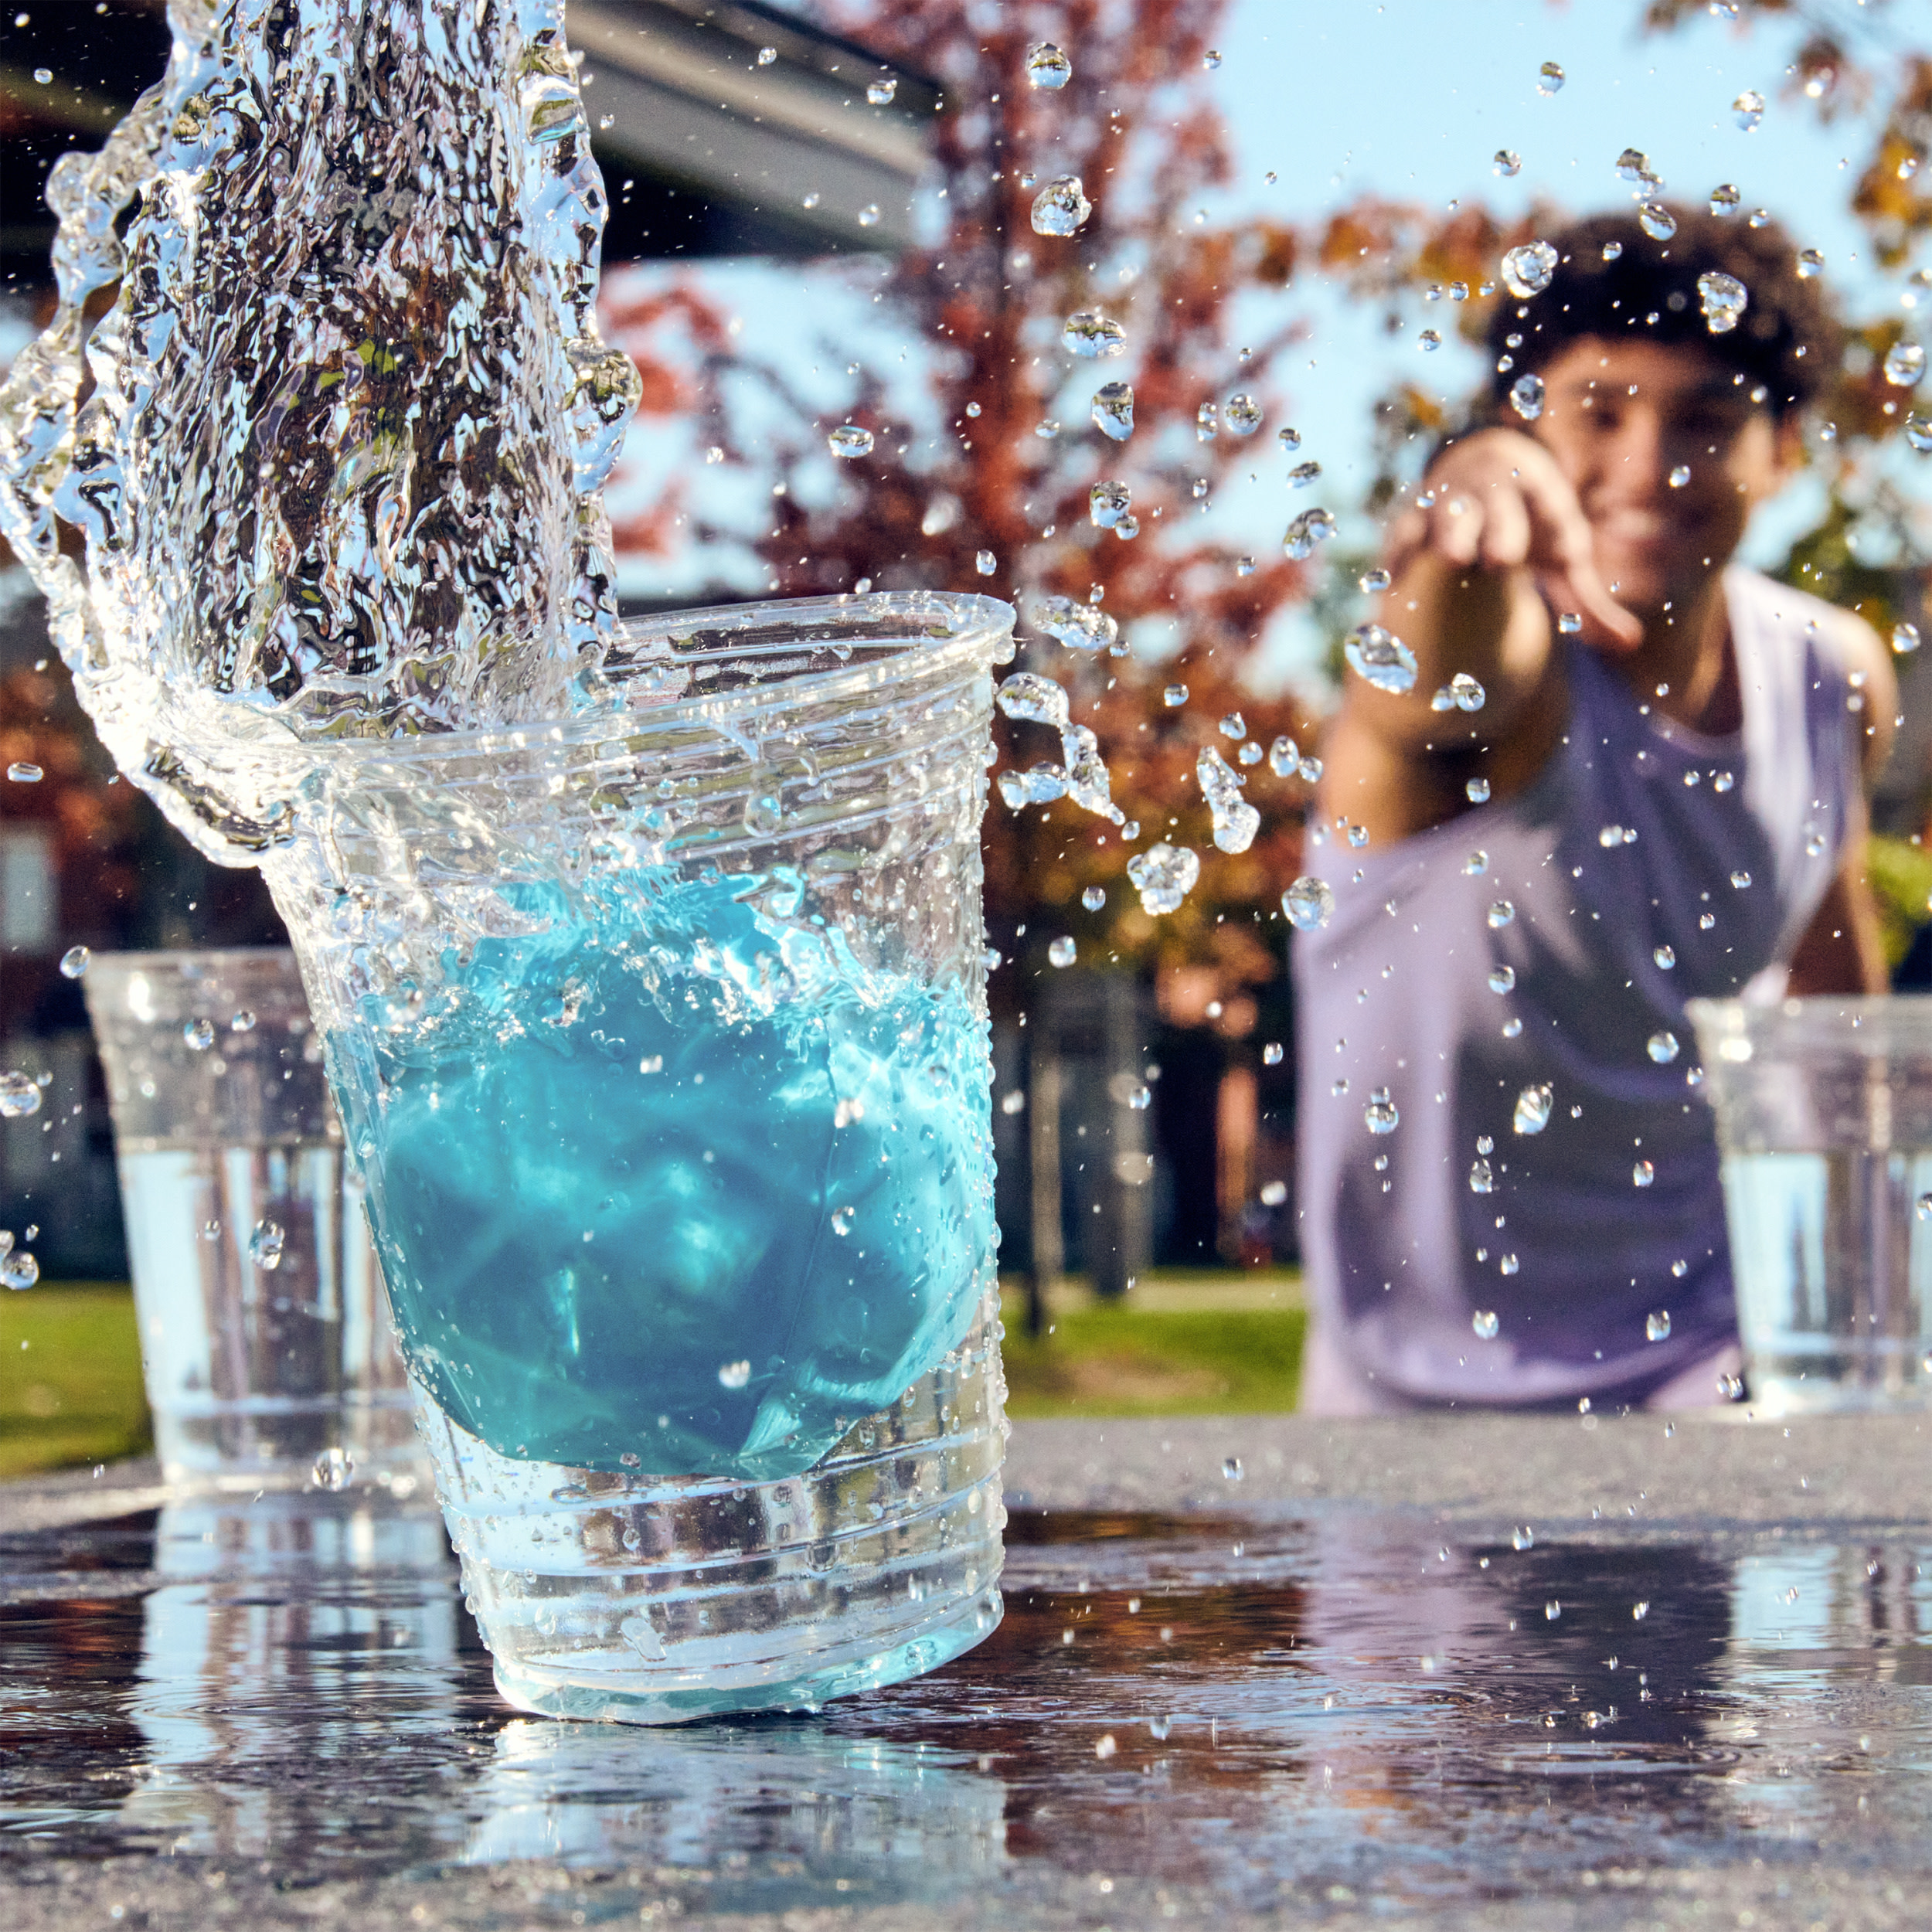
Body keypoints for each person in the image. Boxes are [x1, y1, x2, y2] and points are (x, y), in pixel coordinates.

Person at [1294, 206, 1894, 1413]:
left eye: (1706, 422)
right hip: (1423, 1407)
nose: (1645, 465)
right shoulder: (1494, 684)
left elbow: (1831, 1018)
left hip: (1718, 1368)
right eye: (1597, 413)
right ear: (1526, 423)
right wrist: (1477, 495)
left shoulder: (1833, 677)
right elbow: (1429, 679)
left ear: (1782, 455)